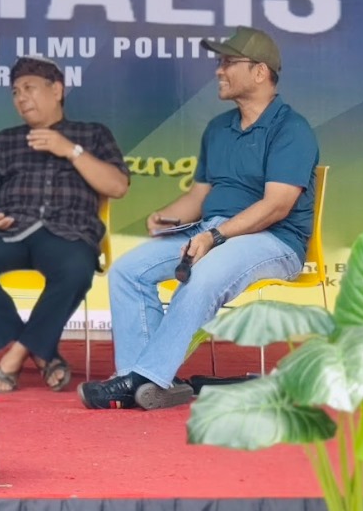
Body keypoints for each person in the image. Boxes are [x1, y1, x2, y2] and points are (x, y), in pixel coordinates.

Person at [79, 27, 319, 411]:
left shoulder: (292, 129)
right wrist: (167, 218)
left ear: (260, 72)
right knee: (128, 271)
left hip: (274, 240)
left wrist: (215, 236)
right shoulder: (219, 128)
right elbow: (199, 195)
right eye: (219, 62)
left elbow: (277, 206)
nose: (218, 71)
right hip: (211, 231)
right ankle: (141, 382)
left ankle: (144, 378)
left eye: (229, 62)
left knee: (203, 274)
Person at [0, 57, 130, 393]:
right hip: (10, 229)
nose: (21, 98)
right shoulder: (4, 141)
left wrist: (70, 150)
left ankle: (14, 357)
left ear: (56, 90)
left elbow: (117, 186)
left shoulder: (92, 134)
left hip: (68, 232)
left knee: (76, 268)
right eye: (15, 92)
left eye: (29, 88)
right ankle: (40, 353)